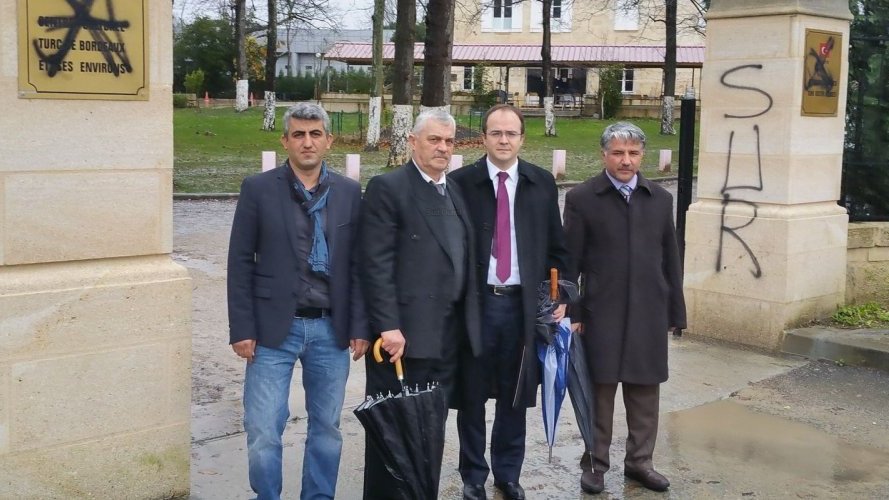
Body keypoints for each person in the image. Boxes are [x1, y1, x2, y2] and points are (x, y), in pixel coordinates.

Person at [227, 102, 369, 500]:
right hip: (273, 329)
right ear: (285, 140)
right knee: (263, 429)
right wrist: (242, 328)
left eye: (315, 134)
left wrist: (360, 325)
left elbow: (357, 264)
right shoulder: (258, 189)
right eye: (299, 135)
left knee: (326, 428)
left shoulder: (348, 191)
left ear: (329, 140)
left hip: (330, 328)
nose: (307, 142)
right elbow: (240, 261)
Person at [359, 108, 482, 499]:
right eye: (434, 140)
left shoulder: (453, 191)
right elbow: (374, 263)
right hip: (403, 341)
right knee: (395, 434)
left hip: (447, 337)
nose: (443, 148)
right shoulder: (389, 187)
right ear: (413, 142)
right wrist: (388, 326)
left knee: (429, 430)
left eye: (448, 141)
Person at [449, 104, 570, 500]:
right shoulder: (461, 182)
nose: (503, 140)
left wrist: (560, 297)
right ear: (483, 137)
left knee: (515, 393)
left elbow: (557, 246)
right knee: (472, 394)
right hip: (477, 305)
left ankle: (507, 472)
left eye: (511, 133)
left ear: (522, 138)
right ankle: (472, 476)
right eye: (496, 133)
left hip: (521, 307)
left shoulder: (540, 183)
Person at [563, 121, 686, 495]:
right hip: (602, 311)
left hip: (650, 309)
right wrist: (574, 313)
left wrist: (675, 311)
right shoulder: (583, 198)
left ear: (642, 156)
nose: (626, 160)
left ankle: (640, 462)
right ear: (604, 155)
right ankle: (596, 464)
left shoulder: (660, 199)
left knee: (645, 391)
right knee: (599, 392)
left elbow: (671, 258)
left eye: (633, 153)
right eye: (618, 153)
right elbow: (570, 264)